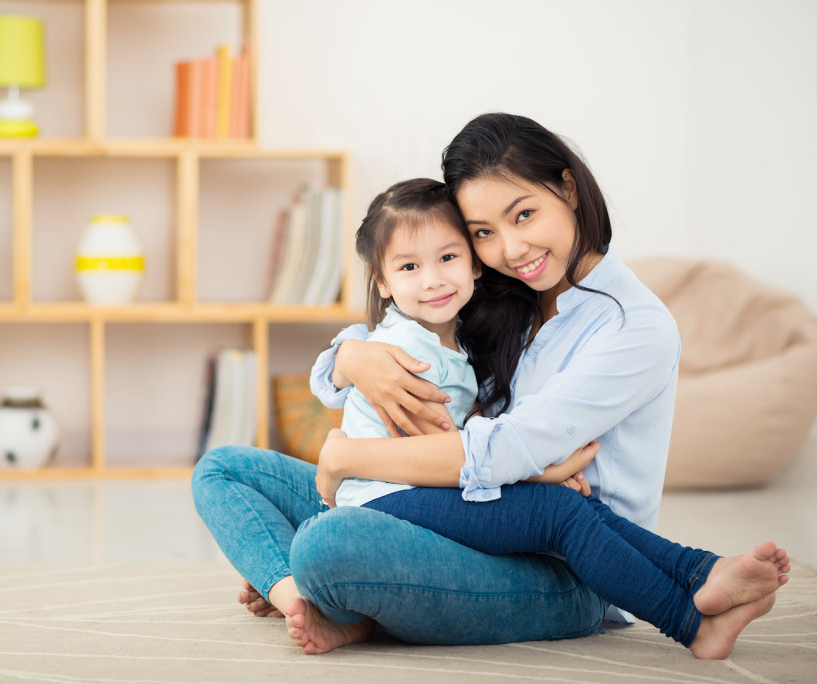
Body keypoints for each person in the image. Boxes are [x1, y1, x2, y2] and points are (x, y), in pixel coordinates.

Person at [189, 112, 781, 659]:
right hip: (448, 511)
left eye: (524, 215)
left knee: (328, 544)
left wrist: (347, 455)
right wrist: (352, 356)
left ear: (568, 190)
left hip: (558, 568)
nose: (512, 249)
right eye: (484, 233)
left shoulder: (635, 327)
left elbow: (503, 453)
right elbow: (402, 324)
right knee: (225, 470)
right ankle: (301, 595)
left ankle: (332, 584)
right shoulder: (501, 299)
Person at [321, 176, 791, 659]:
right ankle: (689, 621)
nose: (433, 278)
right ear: (382, 280)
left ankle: (700, 571)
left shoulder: (460, 330)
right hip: (391, 495)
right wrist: (349, 357)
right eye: (409, 267)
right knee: (559, 510)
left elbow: (463, 447)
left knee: (573, 510)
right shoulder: (409, 350)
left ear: (472, 263)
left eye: (448, 257)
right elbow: (448, 446)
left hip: (418, 485)